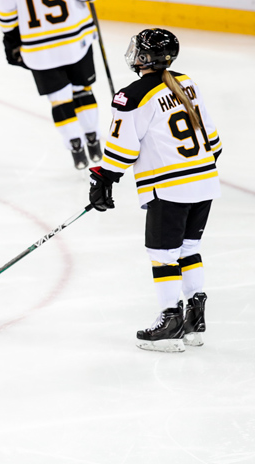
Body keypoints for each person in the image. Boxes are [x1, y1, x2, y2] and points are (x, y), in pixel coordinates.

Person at [87, 28, 222, 352]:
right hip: (205, 182)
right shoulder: (186, 81)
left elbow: (122, 150)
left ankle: (170, 320)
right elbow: (214, 143)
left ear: (145, 57)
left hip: (170, 189)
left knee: (163, 257)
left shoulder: (132, 96)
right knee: (188, 249)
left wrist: (103, 180)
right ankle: (194, 320)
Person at [0, 0, 101, 169]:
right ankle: (92, 137)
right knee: (82, 90)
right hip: (75, 38)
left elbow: (6, 15)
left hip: (38, 47)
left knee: (59, 98)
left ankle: (75, 144)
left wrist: (12, 41)